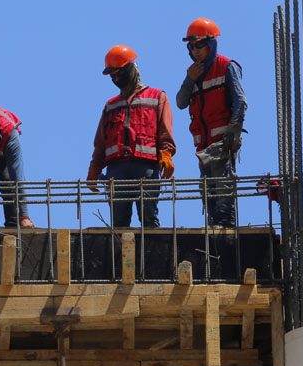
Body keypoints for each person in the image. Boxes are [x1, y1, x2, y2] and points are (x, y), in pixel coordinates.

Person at [86, 45, 175, 227]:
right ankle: (119, 255)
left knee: (149, 219)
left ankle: (152, 252)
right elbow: (101, 143)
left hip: (146, 168)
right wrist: (94, 168)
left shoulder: (157, 97)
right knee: (119, 223)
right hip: (117, 171)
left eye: (119, 73)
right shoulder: (110, 106)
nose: (116, 79)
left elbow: (165, 130)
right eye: (112, 77)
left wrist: (166, 154)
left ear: (131, 69)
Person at [176, 18, 248, 228]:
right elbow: (181, 102)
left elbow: (240, 101)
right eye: (192, 46)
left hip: (222, 141)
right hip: (203, 146)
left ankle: (225, 226)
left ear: (211, 44)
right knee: (207, 189)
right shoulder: (194, 74)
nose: (196, 50)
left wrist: (234, 131)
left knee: (223, 185)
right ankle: (216, 225)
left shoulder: (226, 67)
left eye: (200, 44)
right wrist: (189, 80)